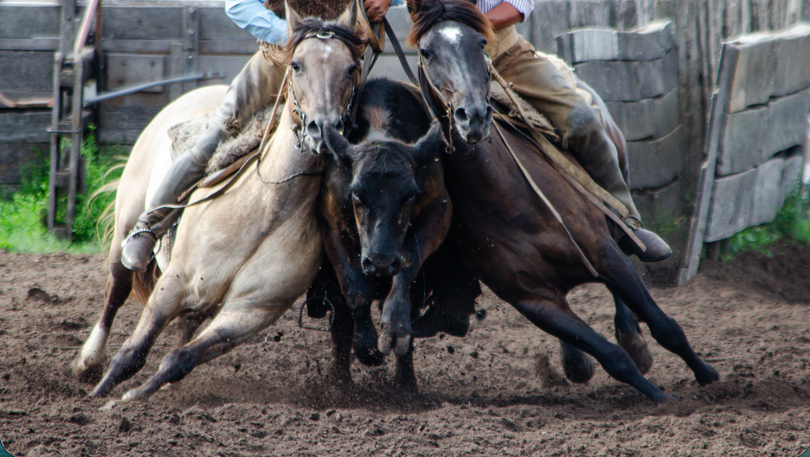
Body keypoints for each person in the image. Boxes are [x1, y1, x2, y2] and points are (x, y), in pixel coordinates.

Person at [120, 0, 394, 272]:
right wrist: (289, 36)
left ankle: (376, 252)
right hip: (277, 64)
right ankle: (149, 225)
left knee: (370, 154)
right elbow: (238, 4)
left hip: (340, 74)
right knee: (216, 137)